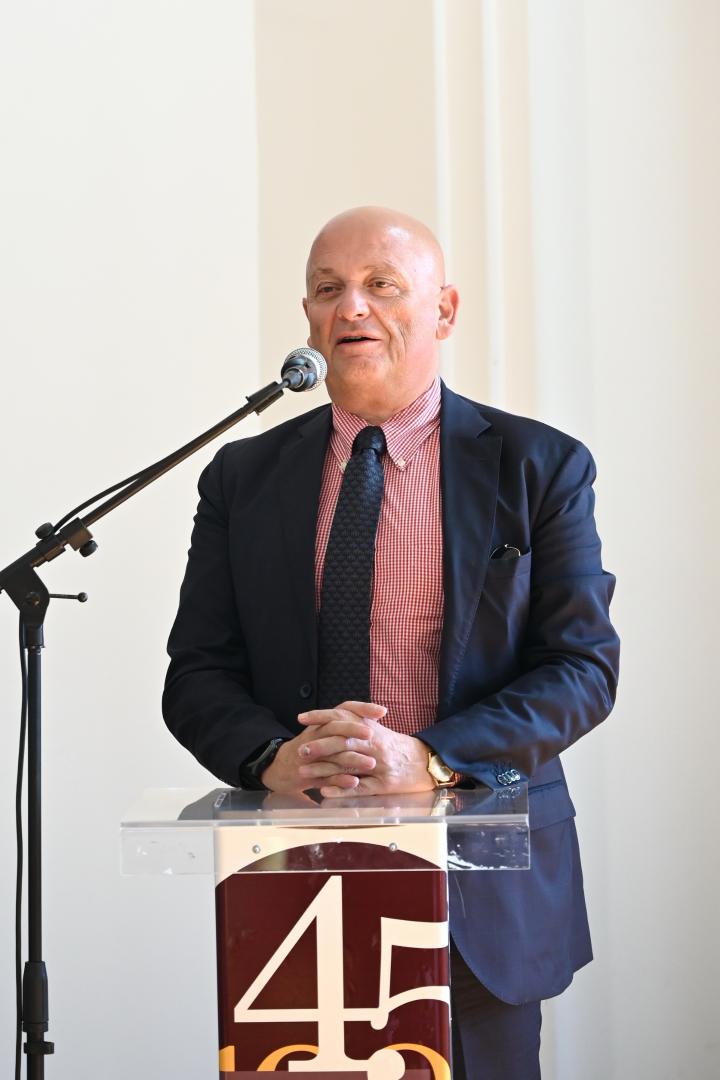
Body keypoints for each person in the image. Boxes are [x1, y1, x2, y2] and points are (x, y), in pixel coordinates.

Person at [163, 206, 620, 1078]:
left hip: (480, 884)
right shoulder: (241, 477)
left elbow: (582, 668)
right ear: (308, 318)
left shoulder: (539, 466)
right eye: (328, 289)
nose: (352, 308)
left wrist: (432, 758)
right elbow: (199, 672)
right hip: (293, 884)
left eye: (381, 285)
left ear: (443, 310)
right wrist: (270, 758)